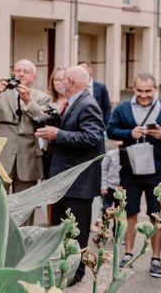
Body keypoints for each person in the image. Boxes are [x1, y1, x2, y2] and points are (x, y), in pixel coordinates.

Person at [106, 73, 161, 278]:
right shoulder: (122, 108)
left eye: (148, 91)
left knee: (156, 215)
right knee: (128, 213)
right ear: (133, 87)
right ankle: (128, 254)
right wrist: (129, 133)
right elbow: (110, 130)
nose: (144, 95)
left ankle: (155, 258)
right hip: (129, 169)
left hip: (157, 170)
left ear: (155, 89)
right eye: (139, 91)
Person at [35, 65, 105, 284]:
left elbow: (92, 137)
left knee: (77, 230)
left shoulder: (87, 104)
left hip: (79, 181)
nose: (60, 82)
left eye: (64, 79)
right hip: (66, 178)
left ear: (71, 82)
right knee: (62, 227)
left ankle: (77, 272)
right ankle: (62, 266)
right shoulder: (74, 102)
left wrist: (59, 134)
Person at [0, 59, 51, 197]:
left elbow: (44, 122)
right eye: (17, 70)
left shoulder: (42, 97)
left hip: (28, 159)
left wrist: (28, 101)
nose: (21, 74)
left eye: (25, 72)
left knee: (24, 206)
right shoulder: (1, 94)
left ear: (33, 77)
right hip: (0, 156)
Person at [78, 61, 112, 126]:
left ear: (90, 70)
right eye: (80, 70)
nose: (83, 72)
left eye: (84, 69)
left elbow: (107, 107)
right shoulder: (76, 88)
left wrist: (105, 124)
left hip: (99, 123)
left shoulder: (101, 87)